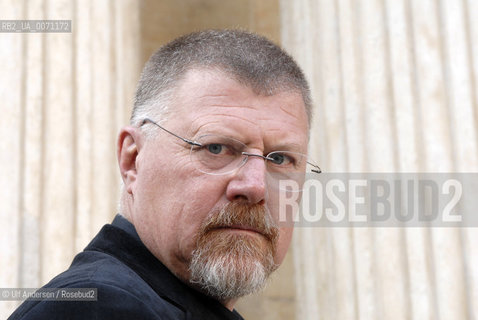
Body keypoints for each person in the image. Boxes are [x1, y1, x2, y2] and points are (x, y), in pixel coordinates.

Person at [10, 29, 317, 319]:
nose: (256, 186)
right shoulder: (101, 307)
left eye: (280, 158)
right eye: (217, 149)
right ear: (133, 160)